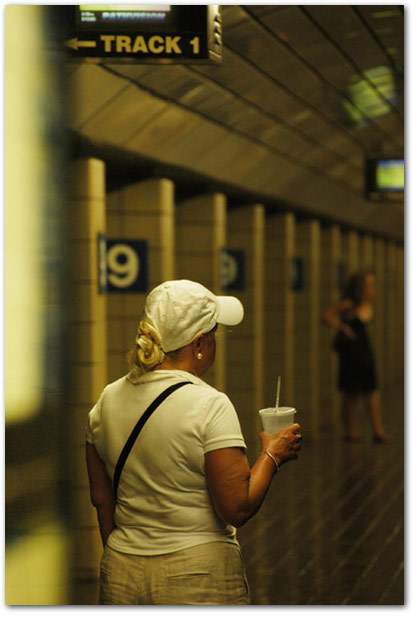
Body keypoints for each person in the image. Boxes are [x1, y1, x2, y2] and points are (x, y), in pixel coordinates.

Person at [86, 279, 302, 605]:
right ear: (199, 343)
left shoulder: (107, 400)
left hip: (121, 572)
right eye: (214, 334)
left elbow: (102, 500)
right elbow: (237, 507)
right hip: (197, 574)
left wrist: (128, 559)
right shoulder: (210, 405)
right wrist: (272, 454)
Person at [321, 271, 390, 443]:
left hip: (365, 350)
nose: (371, 289)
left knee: (371, 390)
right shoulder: (349, 304)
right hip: (351, 352)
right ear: (359, 287)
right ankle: (351, 430)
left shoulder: (366, 304)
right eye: (368, 285)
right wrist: (342, 327)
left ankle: (377, 430)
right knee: (351, 392)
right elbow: (326, 316)